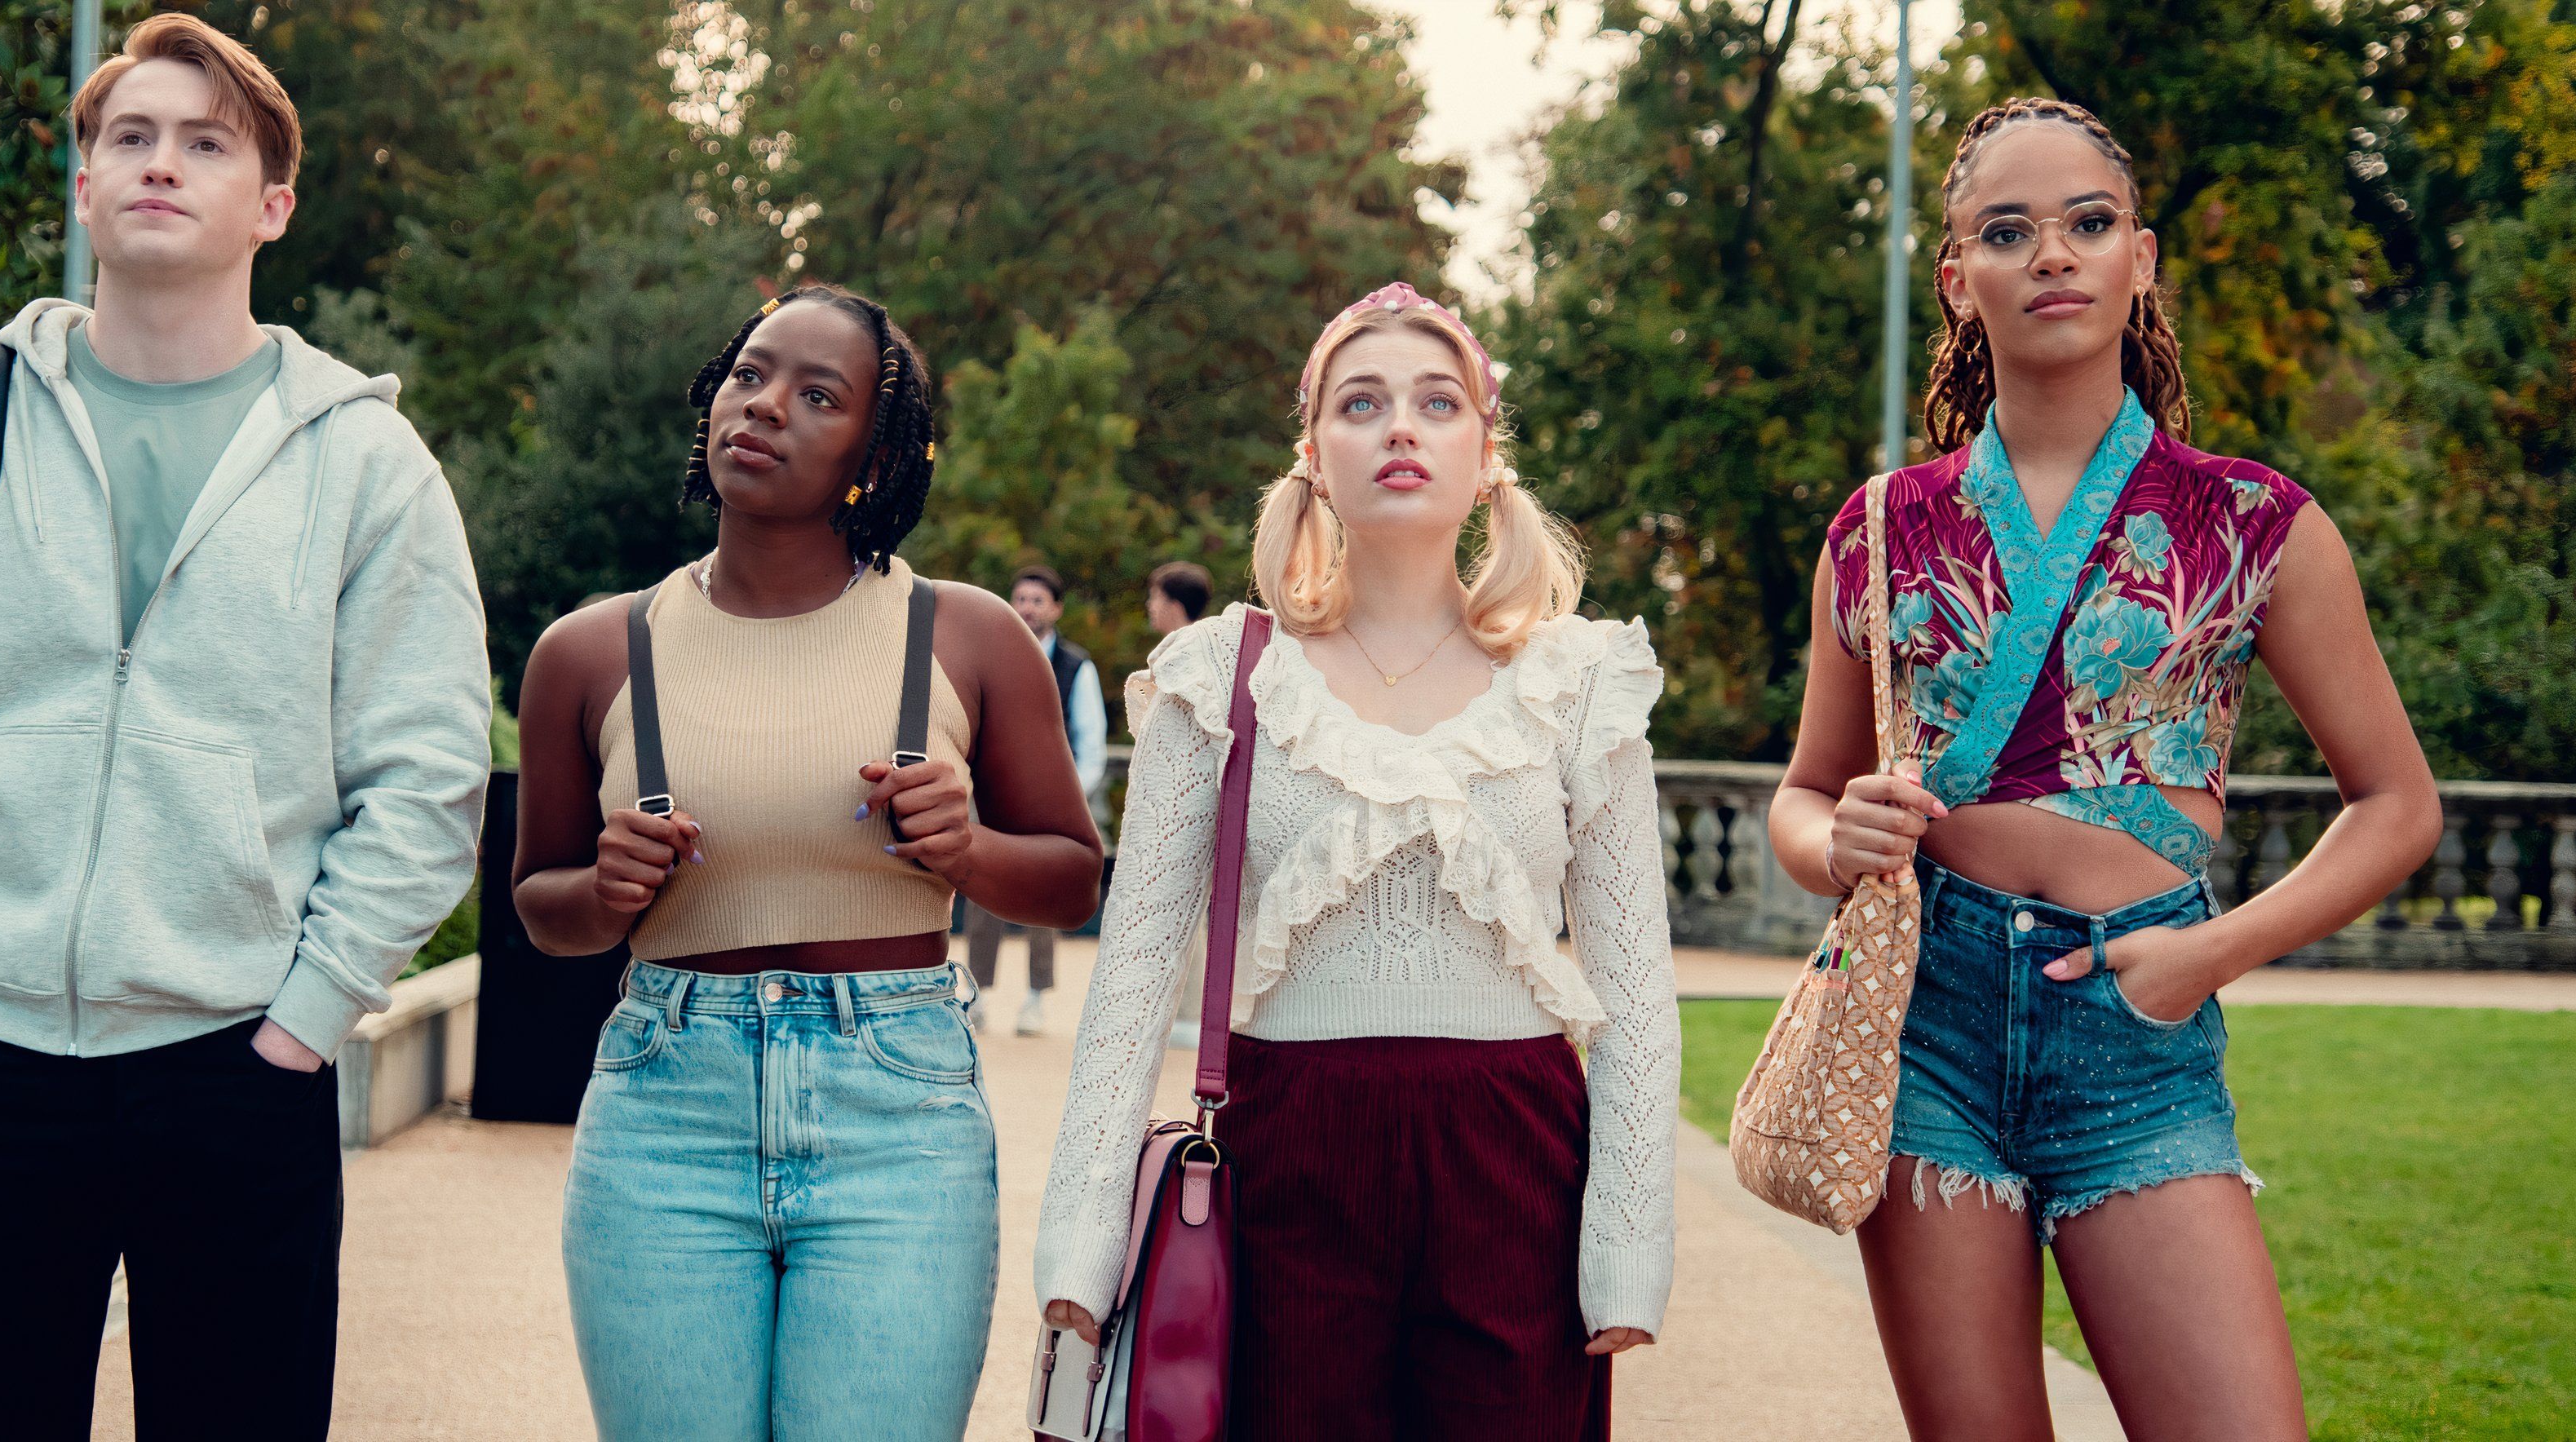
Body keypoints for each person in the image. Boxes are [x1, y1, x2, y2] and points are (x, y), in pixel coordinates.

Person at [0, 15, 492, 1439]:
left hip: (242, 1063)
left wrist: (306, 1018)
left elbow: (425, 779)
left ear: (272, 205)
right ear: (85, 188)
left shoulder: (362, 457)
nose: (161, 163)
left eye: (206, 142)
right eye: (130, 136)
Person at [1770, 99, 2442, 1442]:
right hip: (1927, 1023)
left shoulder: (2258, 522)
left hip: (2140, 1029)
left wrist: (2205, 955)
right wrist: (1829, 838)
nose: (2054, 255)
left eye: (2089, 222)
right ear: (1959, 281)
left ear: (2143, 258)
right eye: (2007, 232)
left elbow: (2397, 802)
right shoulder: (1881, 528)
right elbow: (1802, 796)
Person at [1037, 282, 1676, 1439]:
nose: (1397, 427)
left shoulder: (1579, 681)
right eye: (1360, 402)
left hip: (1516, 1161)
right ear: (1312, 455)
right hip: (1285, 1158)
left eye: (1436, 403)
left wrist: (1627, 1245)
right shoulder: (1216, 674)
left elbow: (1634, 986)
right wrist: (1081, 1248)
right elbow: (1129, 978)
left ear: (1485, 456)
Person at [510, 284, 1103, 1442]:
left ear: (872, 459)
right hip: (661, 1111)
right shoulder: (586, 652)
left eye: (815, 393)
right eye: (749, 374)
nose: (765, 405)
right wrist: (606, 887)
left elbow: (1074, 877)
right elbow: (543, 908)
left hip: (899, 1114)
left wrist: (968, 847)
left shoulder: (967, 636)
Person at [963, 564, 1104, 1036]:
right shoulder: (991, 655)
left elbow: (1091, 741)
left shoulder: (1076, 665)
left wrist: (1069, 801)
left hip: (1050, 804)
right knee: (982, 893)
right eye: (1020, 598)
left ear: (1056, 608)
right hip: (989, 796)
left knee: (1042, 898)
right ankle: (977, 994)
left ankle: (1035, 998)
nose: (1027, 607)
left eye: (1037, 600)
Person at [1143, 560, 1217, 1048]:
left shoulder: (1185, 652)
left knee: (1187, 907)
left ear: (1171, 604)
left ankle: (1188, 1014)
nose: (1149, 607)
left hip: (1190, 798)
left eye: (1153, 598)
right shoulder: (1216, 646)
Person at [1145, 559, 1213, 635]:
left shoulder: (1184, 645)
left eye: (1155, 597)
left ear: (1175, 607)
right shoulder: (1209, 641)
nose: (1149, 604)